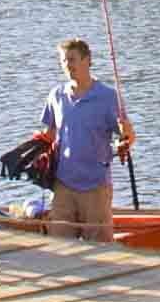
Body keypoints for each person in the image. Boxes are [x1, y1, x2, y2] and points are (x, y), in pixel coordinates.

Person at [39, 38, 132, 242]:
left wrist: (123, 143)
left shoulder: (108, 97)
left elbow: (126, 135)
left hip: (95, 185)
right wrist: (35, 152)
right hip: (63, 185)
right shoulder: (56, 95)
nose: (68, 65)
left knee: (101, 250)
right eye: (64, 61)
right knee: (59, 247)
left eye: (72, 59)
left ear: (87, 60)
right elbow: (49, 135)